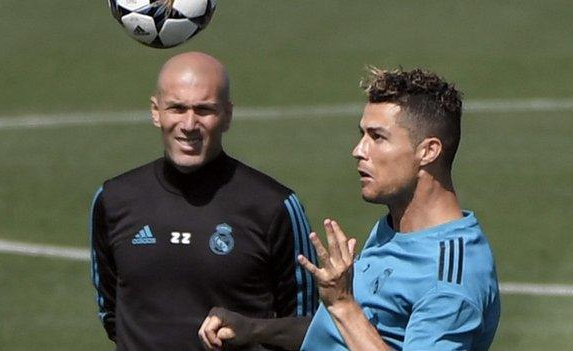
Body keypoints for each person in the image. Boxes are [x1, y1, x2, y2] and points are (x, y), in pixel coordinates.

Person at [198, 67, 500, 350]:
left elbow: (347, 315)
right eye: (362, 135)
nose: (359, 151)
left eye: (377, 137)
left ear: (428, 151)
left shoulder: (450, 279)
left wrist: (343, 303)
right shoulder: (395, 228)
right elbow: (342, 334)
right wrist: (253, 330)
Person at [89, 51, 318, 350]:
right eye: (177, 108)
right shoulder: (113, 199)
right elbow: (110, 312)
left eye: (204, 110)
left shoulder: (273, 206)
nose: (189, 124)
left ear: (227, 115)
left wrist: (252, 331)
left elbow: (309, 327)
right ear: (156, 111)